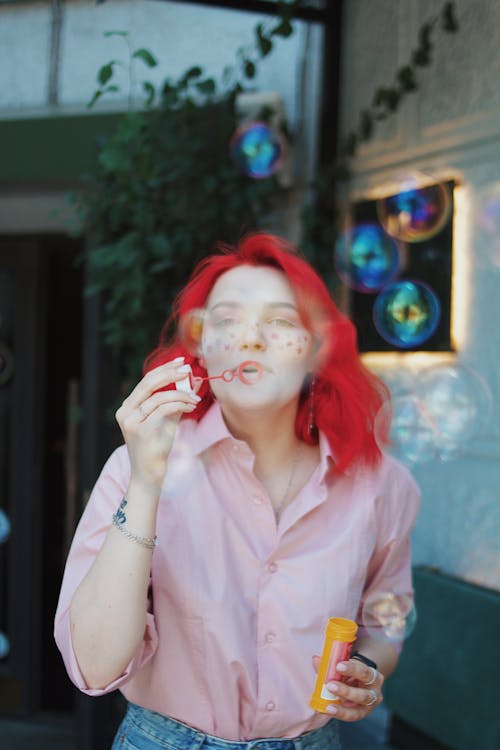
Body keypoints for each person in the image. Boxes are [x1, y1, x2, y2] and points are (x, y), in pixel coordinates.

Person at [54, 232, 420, 750]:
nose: (250, 338)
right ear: (201, 349)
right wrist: (145, 483)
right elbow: (94, 666)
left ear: (315, 350)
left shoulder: (380, 486)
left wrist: (367, 667)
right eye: (226, 320)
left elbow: (387, 615)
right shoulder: (132, 470)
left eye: (280, 321)